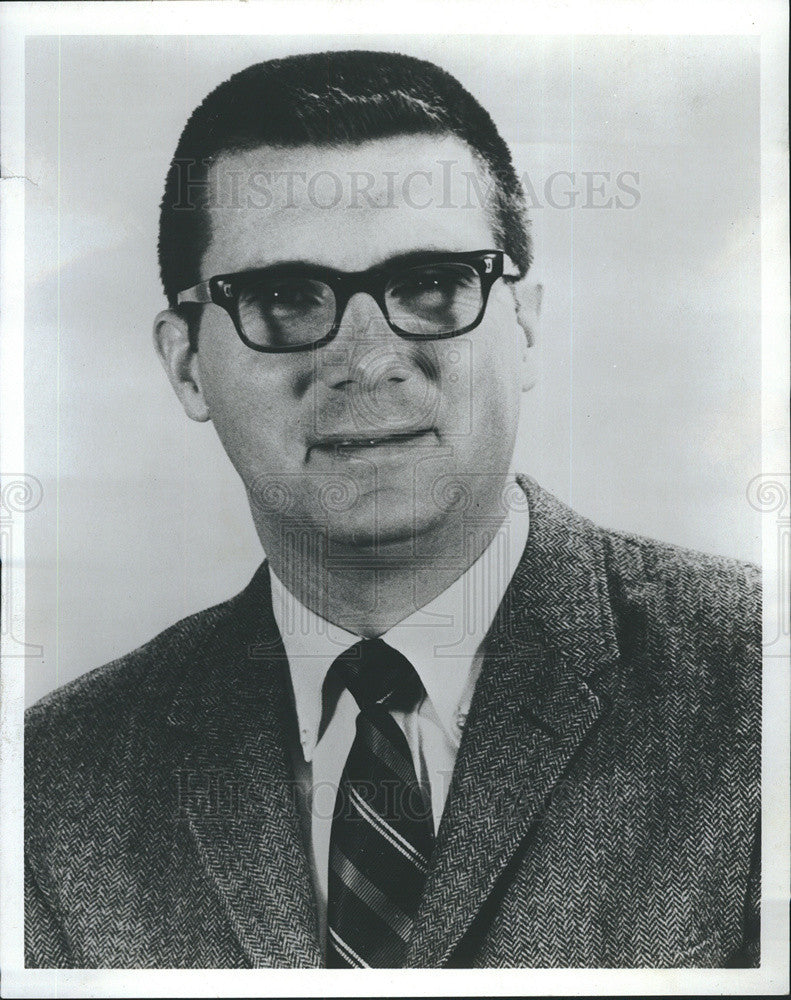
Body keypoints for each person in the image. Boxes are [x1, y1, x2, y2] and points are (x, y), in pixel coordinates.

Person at [25, 50, 760, 969]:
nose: (366, 359)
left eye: (429, 285)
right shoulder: (50, 786)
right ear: (185, 365)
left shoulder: (758, 687)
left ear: (522, 325)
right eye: (284, 298)